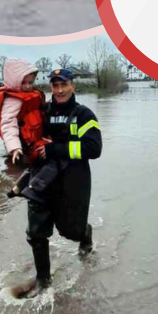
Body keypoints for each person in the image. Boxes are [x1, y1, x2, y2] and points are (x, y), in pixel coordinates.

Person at [23, 68, 101, 294]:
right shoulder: (42, 111)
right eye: (55, 86)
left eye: (63, 85)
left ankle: (84, 233)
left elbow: (94, 148)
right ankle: (43, 280)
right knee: (36, 231)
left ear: (73, 86)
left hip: (73, 180)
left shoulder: (85, 115)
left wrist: (55, 148)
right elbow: (30, 136)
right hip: (42, 180)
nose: (59, 90)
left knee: (70, 231)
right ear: (50, 88)